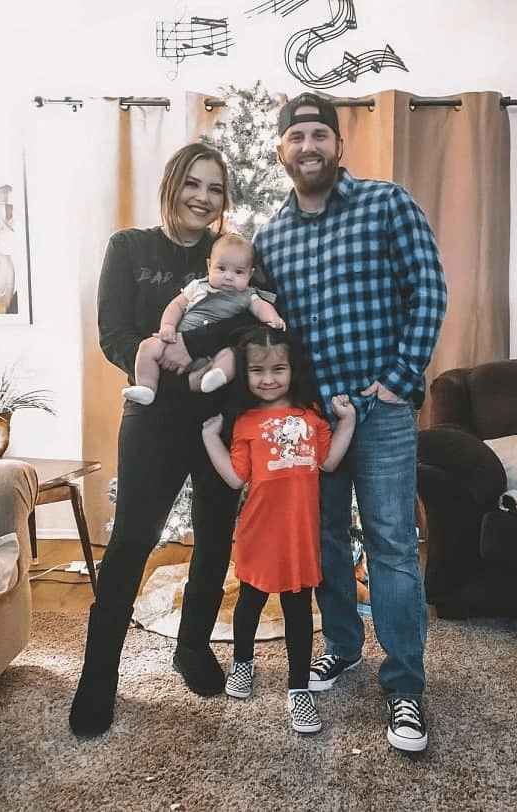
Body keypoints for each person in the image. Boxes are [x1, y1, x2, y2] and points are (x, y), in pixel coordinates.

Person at [253, 93, 447, 753]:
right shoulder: (269, 237)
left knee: (392, 543)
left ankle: (405, 685)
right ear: (281, 150)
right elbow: (261, 330)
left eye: (319, 135)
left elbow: (429, 289)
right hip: (311, 422)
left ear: (338, 145)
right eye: (296, 137)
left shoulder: (386, 203)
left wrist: (397, 381)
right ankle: (342, 644)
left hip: (380, 412)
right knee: (324, 541)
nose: (308, 147)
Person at [69, 142, 258, 738]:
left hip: (217, 419)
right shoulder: (129, 247)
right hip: (152, 417)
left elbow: (252, 329)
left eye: (215, 188)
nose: (203, 198)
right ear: (172, 184)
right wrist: (156, 353)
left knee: (215, 538)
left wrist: (196, 353)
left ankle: (191, 646)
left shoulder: (229, 255)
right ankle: (99, 674)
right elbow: (113, 333)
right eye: (193, 184)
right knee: (131, 542)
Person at [201, 325, 356, 733]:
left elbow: (329, 462)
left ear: (293, 369)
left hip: (299, 536)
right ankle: (242, 663)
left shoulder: (311, 417)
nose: (268, 379)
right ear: (245, 374)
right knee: (249, 603)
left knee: (298, 611)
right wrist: (210, 438)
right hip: (258, 532)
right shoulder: (245, 422)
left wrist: (348, 421)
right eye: (257, 370)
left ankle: (298, 689)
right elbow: (235, 478)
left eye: (278, 369)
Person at [122, 233, 285, 406]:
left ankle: (216, 376)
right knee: (147, 346)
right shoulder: (197, 286)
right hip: (175, 340)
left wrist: (273, 319)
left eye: (238, 272)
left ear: (250, 274)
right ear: (209, 265)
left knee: (232, 355)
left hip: (213, 352)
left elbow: (261, 307)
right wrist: (168, 326)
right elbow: (176, 306)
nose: (228, 276)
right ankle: (147, 387)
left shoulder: (247, 295)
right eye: (221, 268)